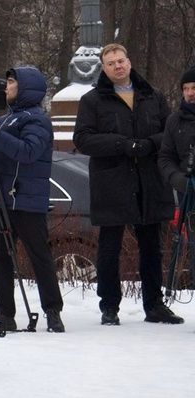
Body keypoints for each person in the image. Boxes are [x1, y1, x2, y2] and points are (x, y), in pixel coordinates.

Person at [73, 43, 183, 325]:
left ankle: (154, 305)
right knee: (109, 249)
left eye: (121, 61)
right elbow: (83, 139)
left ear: (129, 62)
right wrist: (123, 144)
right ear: (104, 68)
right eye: (111, 63)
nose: (117, 66)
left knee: (152, 247)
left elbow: (170, 133)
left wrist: (147, 145)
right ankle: (109, 306)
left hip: (150, 182)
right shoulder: (92, 100)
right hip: (112, 183)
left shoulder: (153, 96)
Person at [0, 67, 64, 333]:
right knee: (0, 258)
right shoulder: (10, 118)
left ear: (26, 87)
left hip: (27, 201)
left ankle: (53, 312)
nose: (6, 87)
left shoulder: (37, 119)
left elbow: (29, 152)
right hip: (2, 200)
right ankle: (5, 313)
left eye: (11, 82)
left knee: (39, 256)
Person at [158, 66, 195, 218]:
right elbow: (165, 157)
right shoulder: (174, 120)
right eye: (185, 88)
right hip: (188, 193)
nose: (190, 93)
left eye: (194, 88)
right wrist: (177, 179)